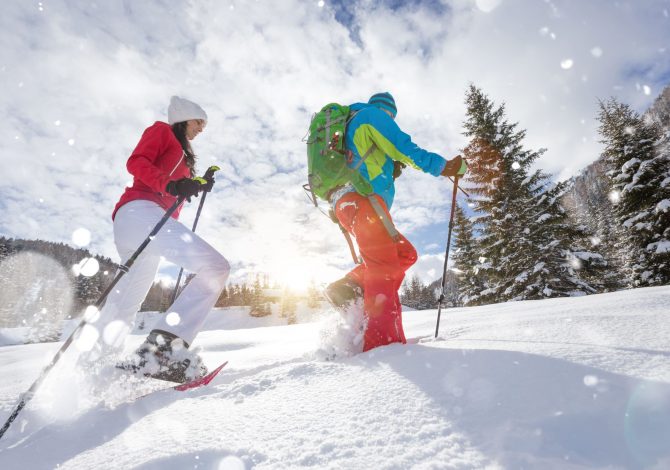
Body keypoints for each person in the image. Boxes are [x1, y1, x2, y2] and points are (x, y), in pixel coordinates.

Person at [88, 96, 230, 382]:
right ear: (182, 118)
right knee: (216, 267)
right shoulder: (162, 131)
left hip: (139, 221)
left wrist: (196, 183)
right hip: (140, 211)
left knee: (128, 300)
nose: (202, 128)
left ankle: (95, 372)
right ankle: (164, 351)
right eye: (198, 121)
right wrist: (172, 184)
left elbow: (174, 185)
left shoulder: (183, 155)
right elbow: (137, 162)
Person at [324, 92, 467, 352]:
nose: (391, 119)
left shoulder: (352, 124)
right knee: (384, 267)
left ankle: (350, 286)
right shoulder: (372, 116)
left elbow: (362, 163)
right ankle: (384, 345)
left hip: (354, 205)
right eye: (392, 116)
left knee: (404, 253)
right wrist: (444, 166)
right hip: (363, 203)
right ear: (388, 111)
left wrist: (390, 168)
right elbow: (404, 148)